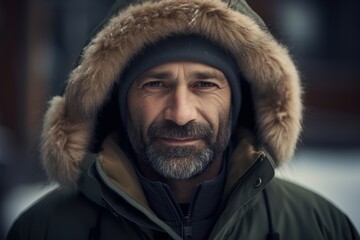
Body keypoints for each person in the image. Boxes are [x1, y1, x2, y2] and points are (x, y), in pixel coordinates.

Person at [6, 0, 359, 239]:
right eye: (155, 84)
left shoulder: (317, 226)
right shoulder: (45, 229)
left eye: (205, 84)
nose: (180, 113)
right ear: (118, 101)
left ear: (239, 102)